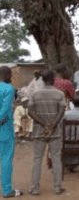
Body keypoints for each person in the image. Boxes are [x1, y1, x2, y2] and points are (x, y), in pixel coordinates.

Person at [28, 70, 66, 196]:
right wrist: (53, 125)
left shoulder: (35, 93)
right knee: (56, 158)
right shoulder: (59, 94)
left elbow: (30, 112)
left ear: (42, 80)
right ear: (54, 79)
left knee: (37, 159)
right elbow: (61, 111)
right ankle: (57, 188)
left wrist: (44, 124)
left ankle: (35, 188)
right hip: (55, 132)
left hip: (39, 131)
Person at [0, 66, 23, 198]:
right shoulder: (9, 89)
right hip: (5, 130)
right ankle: (7, 190)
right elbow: (5, 108)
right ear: (8, 75)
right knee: (6, 159)